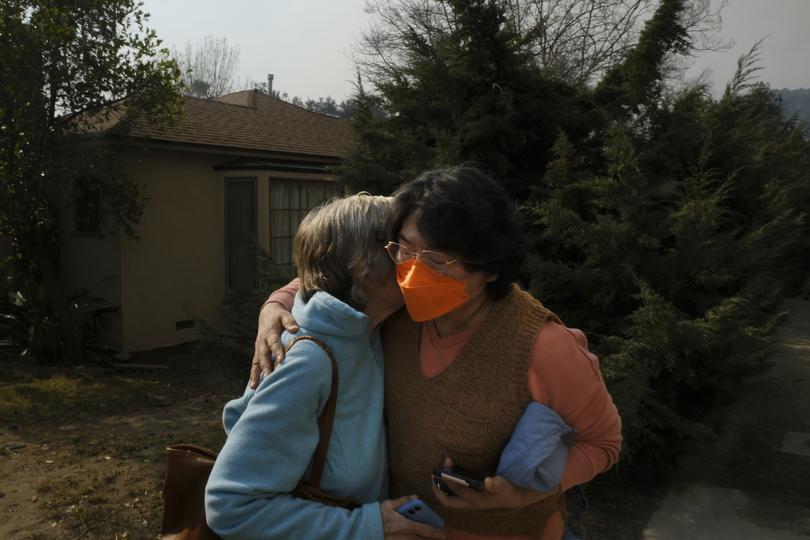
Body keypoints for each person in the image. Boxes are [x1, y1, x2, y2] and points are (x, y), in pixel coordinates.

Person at [253, 166, 623, 540]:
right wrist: (274, 308)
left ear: (489, 268)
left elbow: (603, 442)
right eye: (405, 249)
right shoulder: (397, 307)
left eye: (435, 260)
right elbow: (328, 272)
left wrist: (522, 494)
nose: (411, 274)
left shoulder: (543, 347)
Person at [205, 194, 446, 540]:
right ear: (364, 266)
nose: (415, 262)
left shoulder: (370, 327)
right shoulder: (308, 360)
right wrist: (367, 527)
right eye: (400, 249)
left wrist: (273, 302)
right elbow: (229, 504)